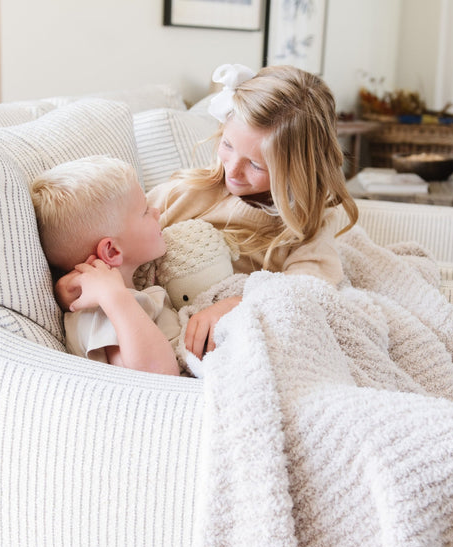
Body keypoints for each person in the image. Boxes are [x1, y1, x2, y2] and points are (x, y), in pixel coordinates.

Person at [146, 63, 359, 359]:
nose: (232, 169)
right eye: (228, 144)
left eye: (256, 165)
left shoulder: (307, 221)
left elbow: (310, 285)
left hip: (238, 337)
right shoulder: (187, 193)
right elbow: (122, 236)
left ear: (297, 170)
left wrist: (236, 303)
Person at [31, 155, 180, 376]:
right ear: (112, 251)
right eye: (145, 211)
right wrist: (115, 299)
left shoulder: (130, 291)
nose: (157, 212)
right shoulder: (99, 313)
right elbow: (158, 379)